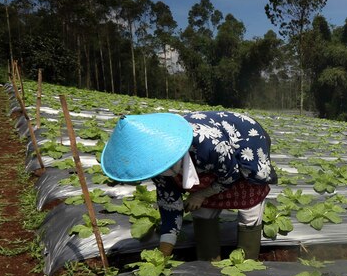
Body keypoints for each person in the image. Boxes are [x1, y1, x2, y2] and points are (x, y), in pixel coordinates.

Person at [100, 111, 277, 261]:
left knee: (249, 207)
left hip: (246, 143)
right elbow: (170, 204)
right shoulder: (156, 166)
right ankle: (208, 263)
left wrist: (202, 194)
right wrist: (164, 250)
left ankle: (248, 262)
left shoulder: (209, 145)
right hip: (212, 164)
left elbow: (231, 174)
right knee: (203, 211)